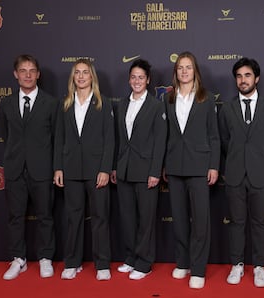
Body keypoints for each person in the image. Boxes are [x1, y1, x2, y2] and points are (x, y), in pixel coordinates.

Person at [219, 57, 264, 287]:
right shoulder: (226, 108)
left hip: (260, 175)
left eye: (247, 75)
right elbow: (224, 140)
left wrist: (261, 160)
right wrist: (239, 160)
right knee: (236, 222)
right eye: (238, 76)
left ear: (256, 78)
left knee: (259, 222)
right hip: (235, 174)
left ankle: (258, 267)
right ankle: (237, 265)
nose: (243, 80)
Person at [162, 51, 220, 289]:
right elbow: (164, 136)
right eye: (180, 68)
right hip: (175, 167)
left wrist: (214, 165)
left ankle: (198, 269)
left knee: (200, 222)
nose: (184, 71)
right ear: (175, 72)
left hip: (199, 167)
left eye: (188, 67)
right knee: (179, 220)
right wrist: (164, 164)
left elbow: (214, 136)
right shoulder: (168, 98)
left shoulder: (206, 98)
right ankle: (183, 263)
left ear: (195, 70)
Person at [53, 58, 114, 281]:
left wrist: (106, 169)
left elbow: (110, 140)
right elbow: (59, 139)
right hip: (70, 170)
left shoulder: (103, 103)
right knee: (73, 217)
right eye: (77, 72)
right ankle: (72, 262)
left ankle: (102, 264)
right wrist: (58, 167)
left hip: (96, 170)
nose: (80, 76)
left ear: (92, 77)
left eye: (85, 72)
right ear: (73, 77)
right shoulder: (65, 103)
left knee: (100, 217)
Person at [0, 54, 58, 280]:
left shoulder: (51, 103)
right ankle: (18, 259)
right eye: (23, 70)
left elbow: (55, 137)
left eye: (32, 70)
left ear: (38, 74)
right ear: (16, 74)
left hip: (42, 169)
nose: (27, 75)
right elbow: (6, 135)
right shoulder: (6, 103)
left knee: (45, 216)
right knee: (15, 216)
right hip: (15, 169)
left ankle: (45, 258)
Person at [110, 59, 167, 280]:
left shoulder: (156, 106)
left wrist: (155, 171)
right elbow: (118, 140)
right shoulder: (121, 104)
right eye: (133, 77)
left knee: (146, 219)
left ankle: (144, 263)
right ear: (129, 79)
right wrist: (115, 167)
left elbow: (160, 141)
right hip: (124, 170)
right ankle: (131, 258)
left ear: (148, 80)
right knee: (127, 217)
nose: (137, 81)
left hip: (146, 171)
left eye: (141, 77)